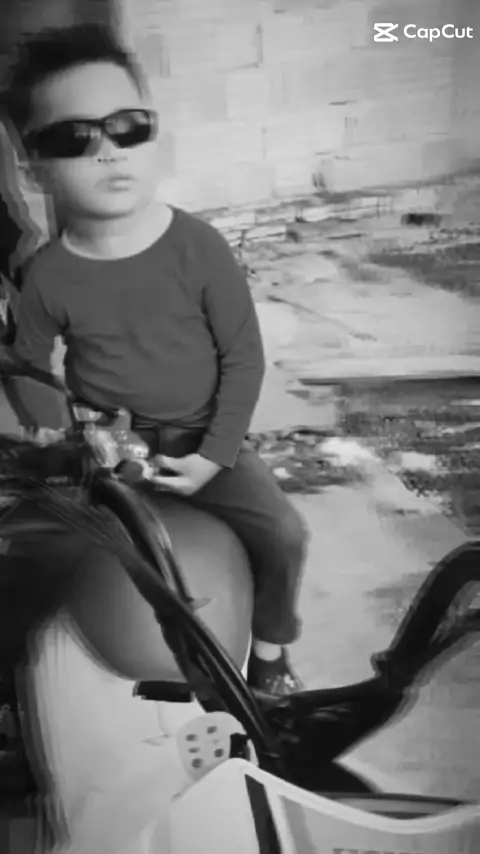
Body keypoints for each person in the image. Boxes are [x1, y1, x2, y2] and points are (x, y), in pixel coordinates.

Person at [3, 23, 310, 695]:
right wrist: (61, 432)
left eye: (128, 128)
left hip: (205, 439)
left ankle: (270, 656)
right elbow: (28, 362)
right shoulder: (48, 274)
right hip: (104, 449)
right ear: (35, 169)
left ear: (157, 140)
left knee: (284, 533)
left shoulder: (199, 249)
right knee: (35, 548)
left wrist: (215, 455)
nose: (108, 150)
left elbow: (243, 358)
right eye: (74, 138)